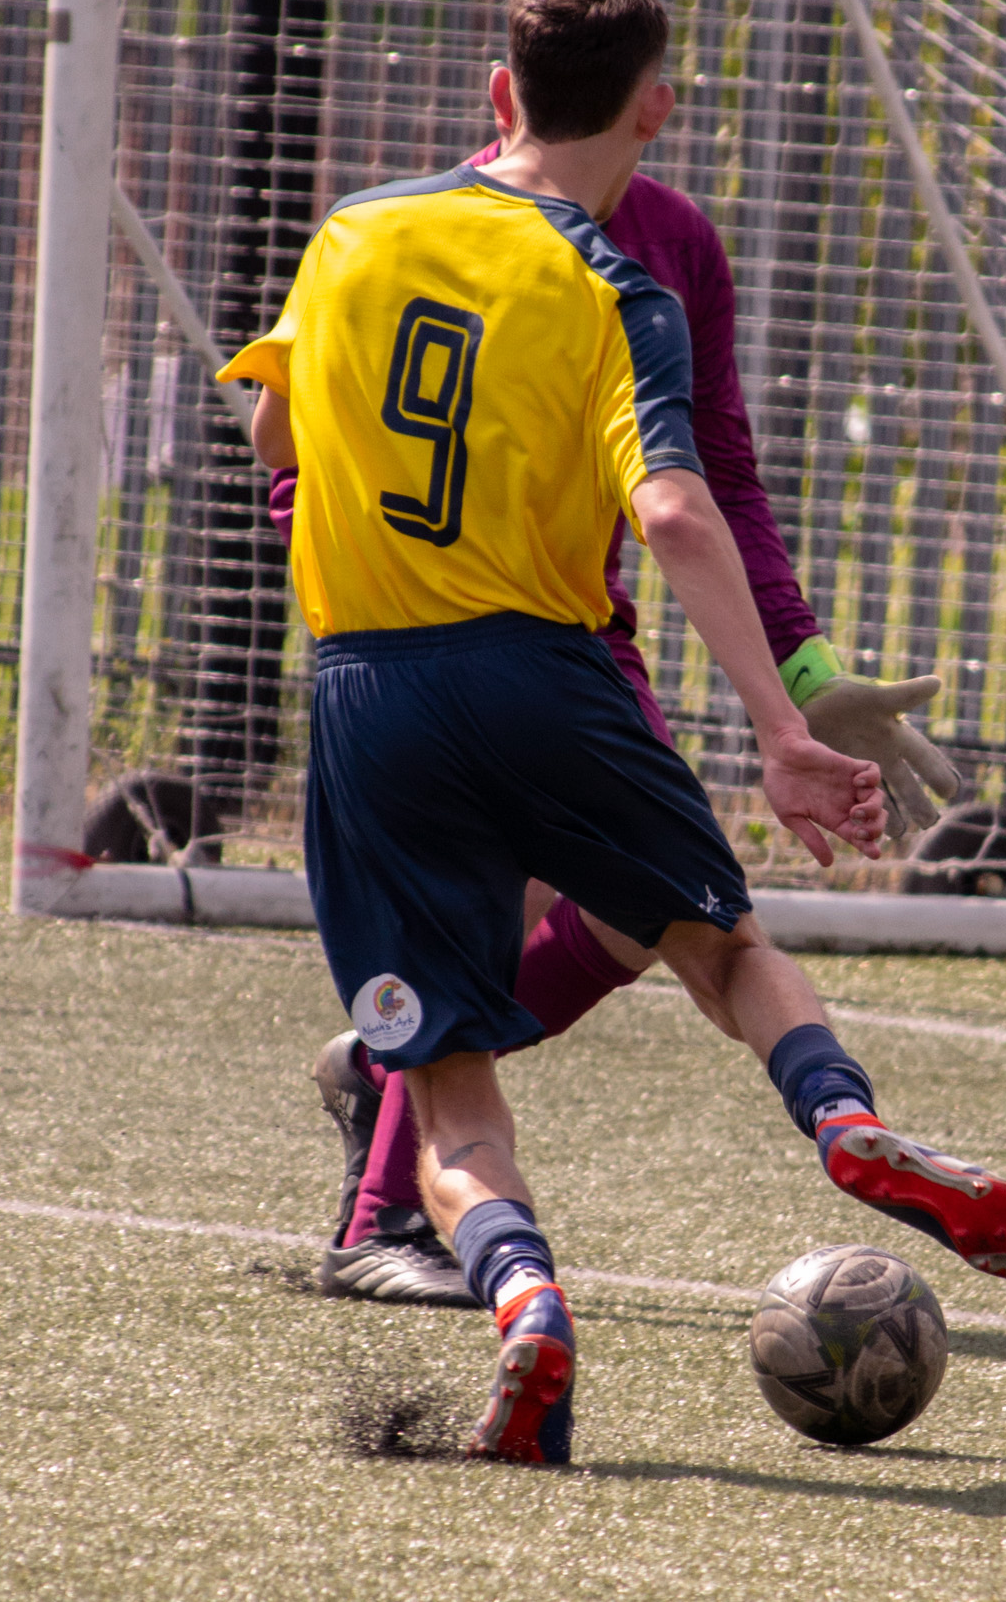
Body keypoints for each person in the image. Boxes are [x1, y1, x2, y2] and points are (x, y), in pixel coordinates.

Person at [223, 0, 1006, 1466]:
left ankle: (529, 1303)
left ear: (501, 94)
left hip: (368, 694)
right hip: (549, 672)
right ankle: (844, 1123)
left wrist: (344, 551)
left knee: (452, 1104)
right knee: (722, 948)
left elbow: (276, 431)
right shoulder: (620, 283)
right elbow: (676, 508)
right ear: (654, 108)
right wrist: (785, 725)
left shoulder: (353, 231)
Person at [293, 70, 965, 1306]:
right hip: (454, 650)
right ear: (652, 100)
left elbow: (717, 479)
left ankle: (396, 1113)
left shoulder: (662, 244)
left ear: (506, 86)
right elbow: (314, 453)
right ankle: (385, 1211)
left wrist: (804, 672)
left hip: (564, 644)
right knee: (652, 927)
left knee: (623, 921)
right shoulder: (428, 232)